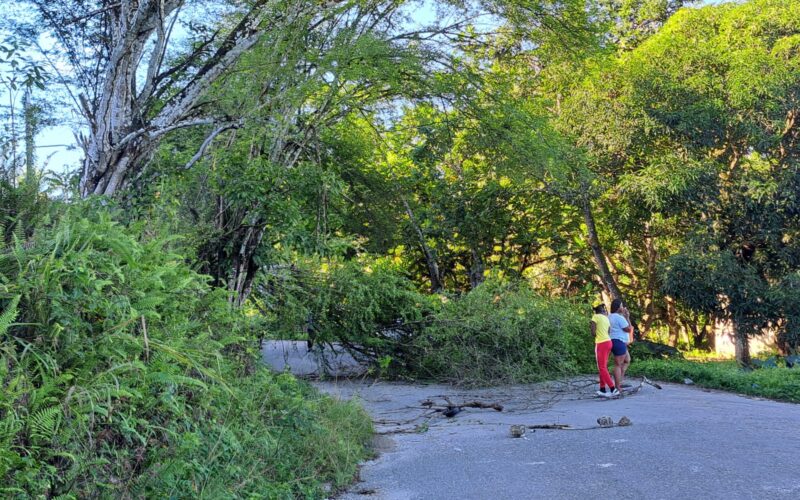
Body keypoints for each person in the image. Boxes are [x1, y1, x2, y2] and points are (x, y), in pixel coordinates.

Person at [590, 303, 619, 398]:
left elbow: (593, 333)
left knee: (601, 367)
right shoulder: (606, 318)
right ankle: (602, 389)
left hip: (601, 343)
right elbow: (609, 331)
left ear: (596, 311)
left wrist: (596, 331)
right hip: (608, 342)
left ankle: (613, 389)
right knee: (603, 367)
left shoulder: (595, 317)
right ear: (603, 311)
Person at [609, 298, 634, 391]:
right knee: (618, 365)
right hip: (619, 341)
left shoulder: (610, 316)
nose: (623, 308)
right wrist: (627, 317)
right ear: (618, 307)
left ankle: (620, 381)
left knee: (627, 360)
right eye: (621, 306)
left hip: (614, 341)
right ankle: (617, 387)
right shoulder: (619, 318)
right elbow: (629, 329)